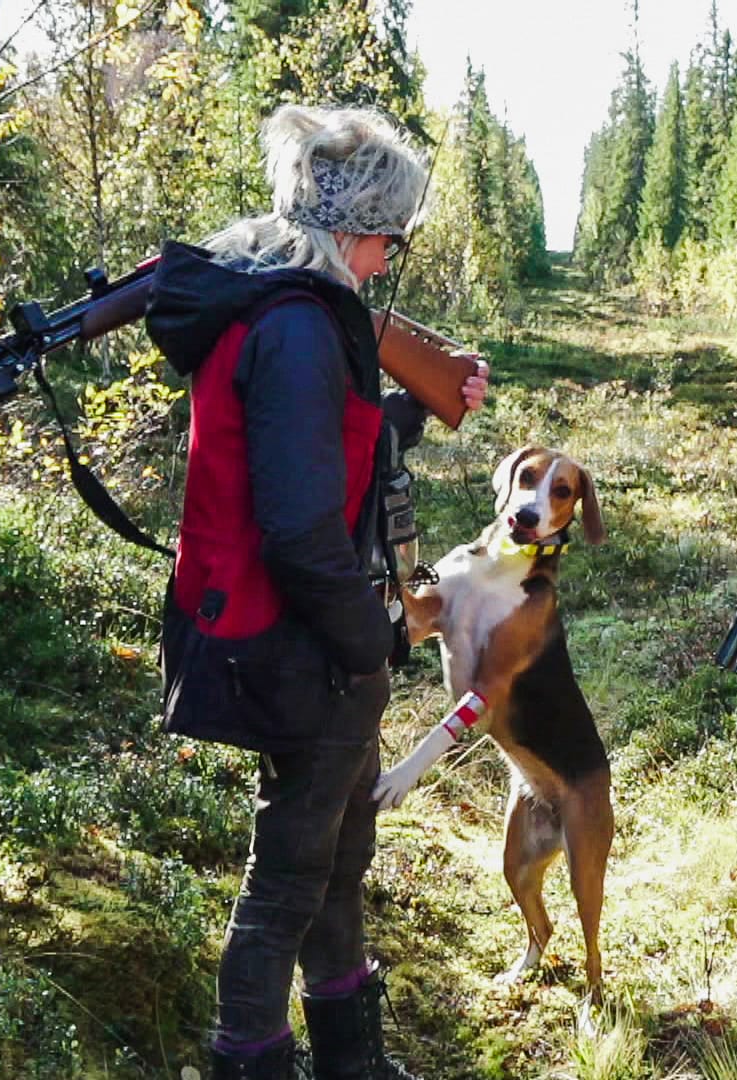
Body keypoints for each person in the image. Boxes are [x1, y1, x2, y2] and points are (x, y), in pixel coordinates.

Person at [144, 104, 487, 1080]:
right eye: (390, 240)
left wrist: (405, 416)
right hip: (301, 646)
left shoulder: (289, 310)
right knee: (291, 875)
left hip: (303, 640)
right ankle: (251, 1060)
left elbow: (317, 446)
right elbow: (298, 527)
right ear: (352, 233)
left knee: (336, 858)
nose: (390, 259)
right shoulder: (298, 326)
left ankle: (352, 1061)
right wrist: (366, 642)